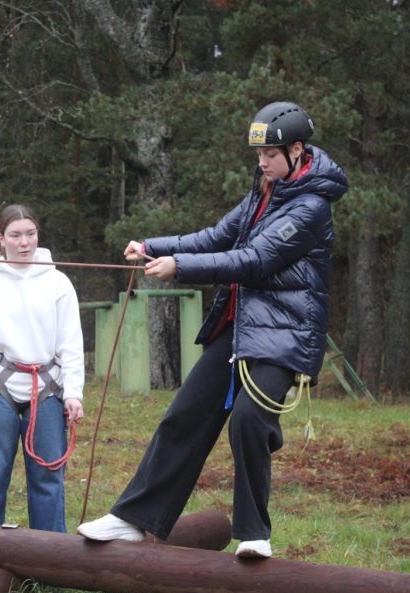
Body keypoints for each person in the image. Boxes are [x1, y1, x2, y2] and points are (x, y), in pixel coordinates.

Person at [77, 101, 348, 559]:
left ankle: (254, 533)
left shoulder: (311, 207)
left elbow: (253, 260)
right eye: (258, 155)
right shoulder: (264, 191)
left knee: (248, 418)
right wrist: (152, 246)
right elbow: (218, 236)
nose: (260, 162)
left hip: (285, 333)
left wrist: (179, 268)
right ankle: (134, 519)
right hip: (241, 325)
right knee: (185, 413)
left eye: (270, 154)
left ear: (297, 150)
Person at [0, 203, 85, 533]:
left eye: (30, 234)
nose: (24, 243)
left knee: (47, 479)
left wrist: (73, 394)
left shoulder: (59, 283)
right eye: (15, 236)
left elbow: (71, 345)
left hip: (47, 387)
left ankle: (51, 561)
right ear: (1, 239)